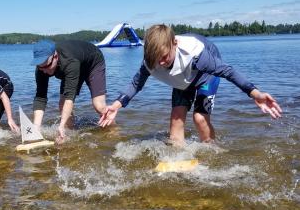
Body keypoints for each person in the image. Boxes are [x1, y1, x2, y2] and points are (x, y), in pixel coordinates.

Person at [99, 24, 282, 146]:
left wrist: (255, 93)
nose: (160, 63)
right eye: (156, 59)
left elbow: (228, 71)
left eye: (164, 57)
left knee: (199, 118)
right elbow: (136, 83)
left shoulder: (197, 56)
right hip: (182, 80)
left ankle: (210, 153)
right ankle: (179, 159)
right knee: (176, 119)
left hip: (204, 76)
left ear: (175, 44)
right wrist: (116, 105)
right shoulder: (151, 60)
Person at [31, 39, 108, 143]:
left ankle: (113, 130)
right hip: (74, 63)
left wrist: (61, 125)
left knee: (99, 106)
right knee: (62, 105)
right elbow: (40, 97)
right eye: (41, 67)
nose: (45, 70)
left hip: (93, 62)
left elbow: (69, 98)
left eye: (47, 66)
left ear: (55, 57)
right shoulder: (41, 68)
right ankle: (68, 134)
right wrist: (36, 128)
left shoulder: (70, 62)